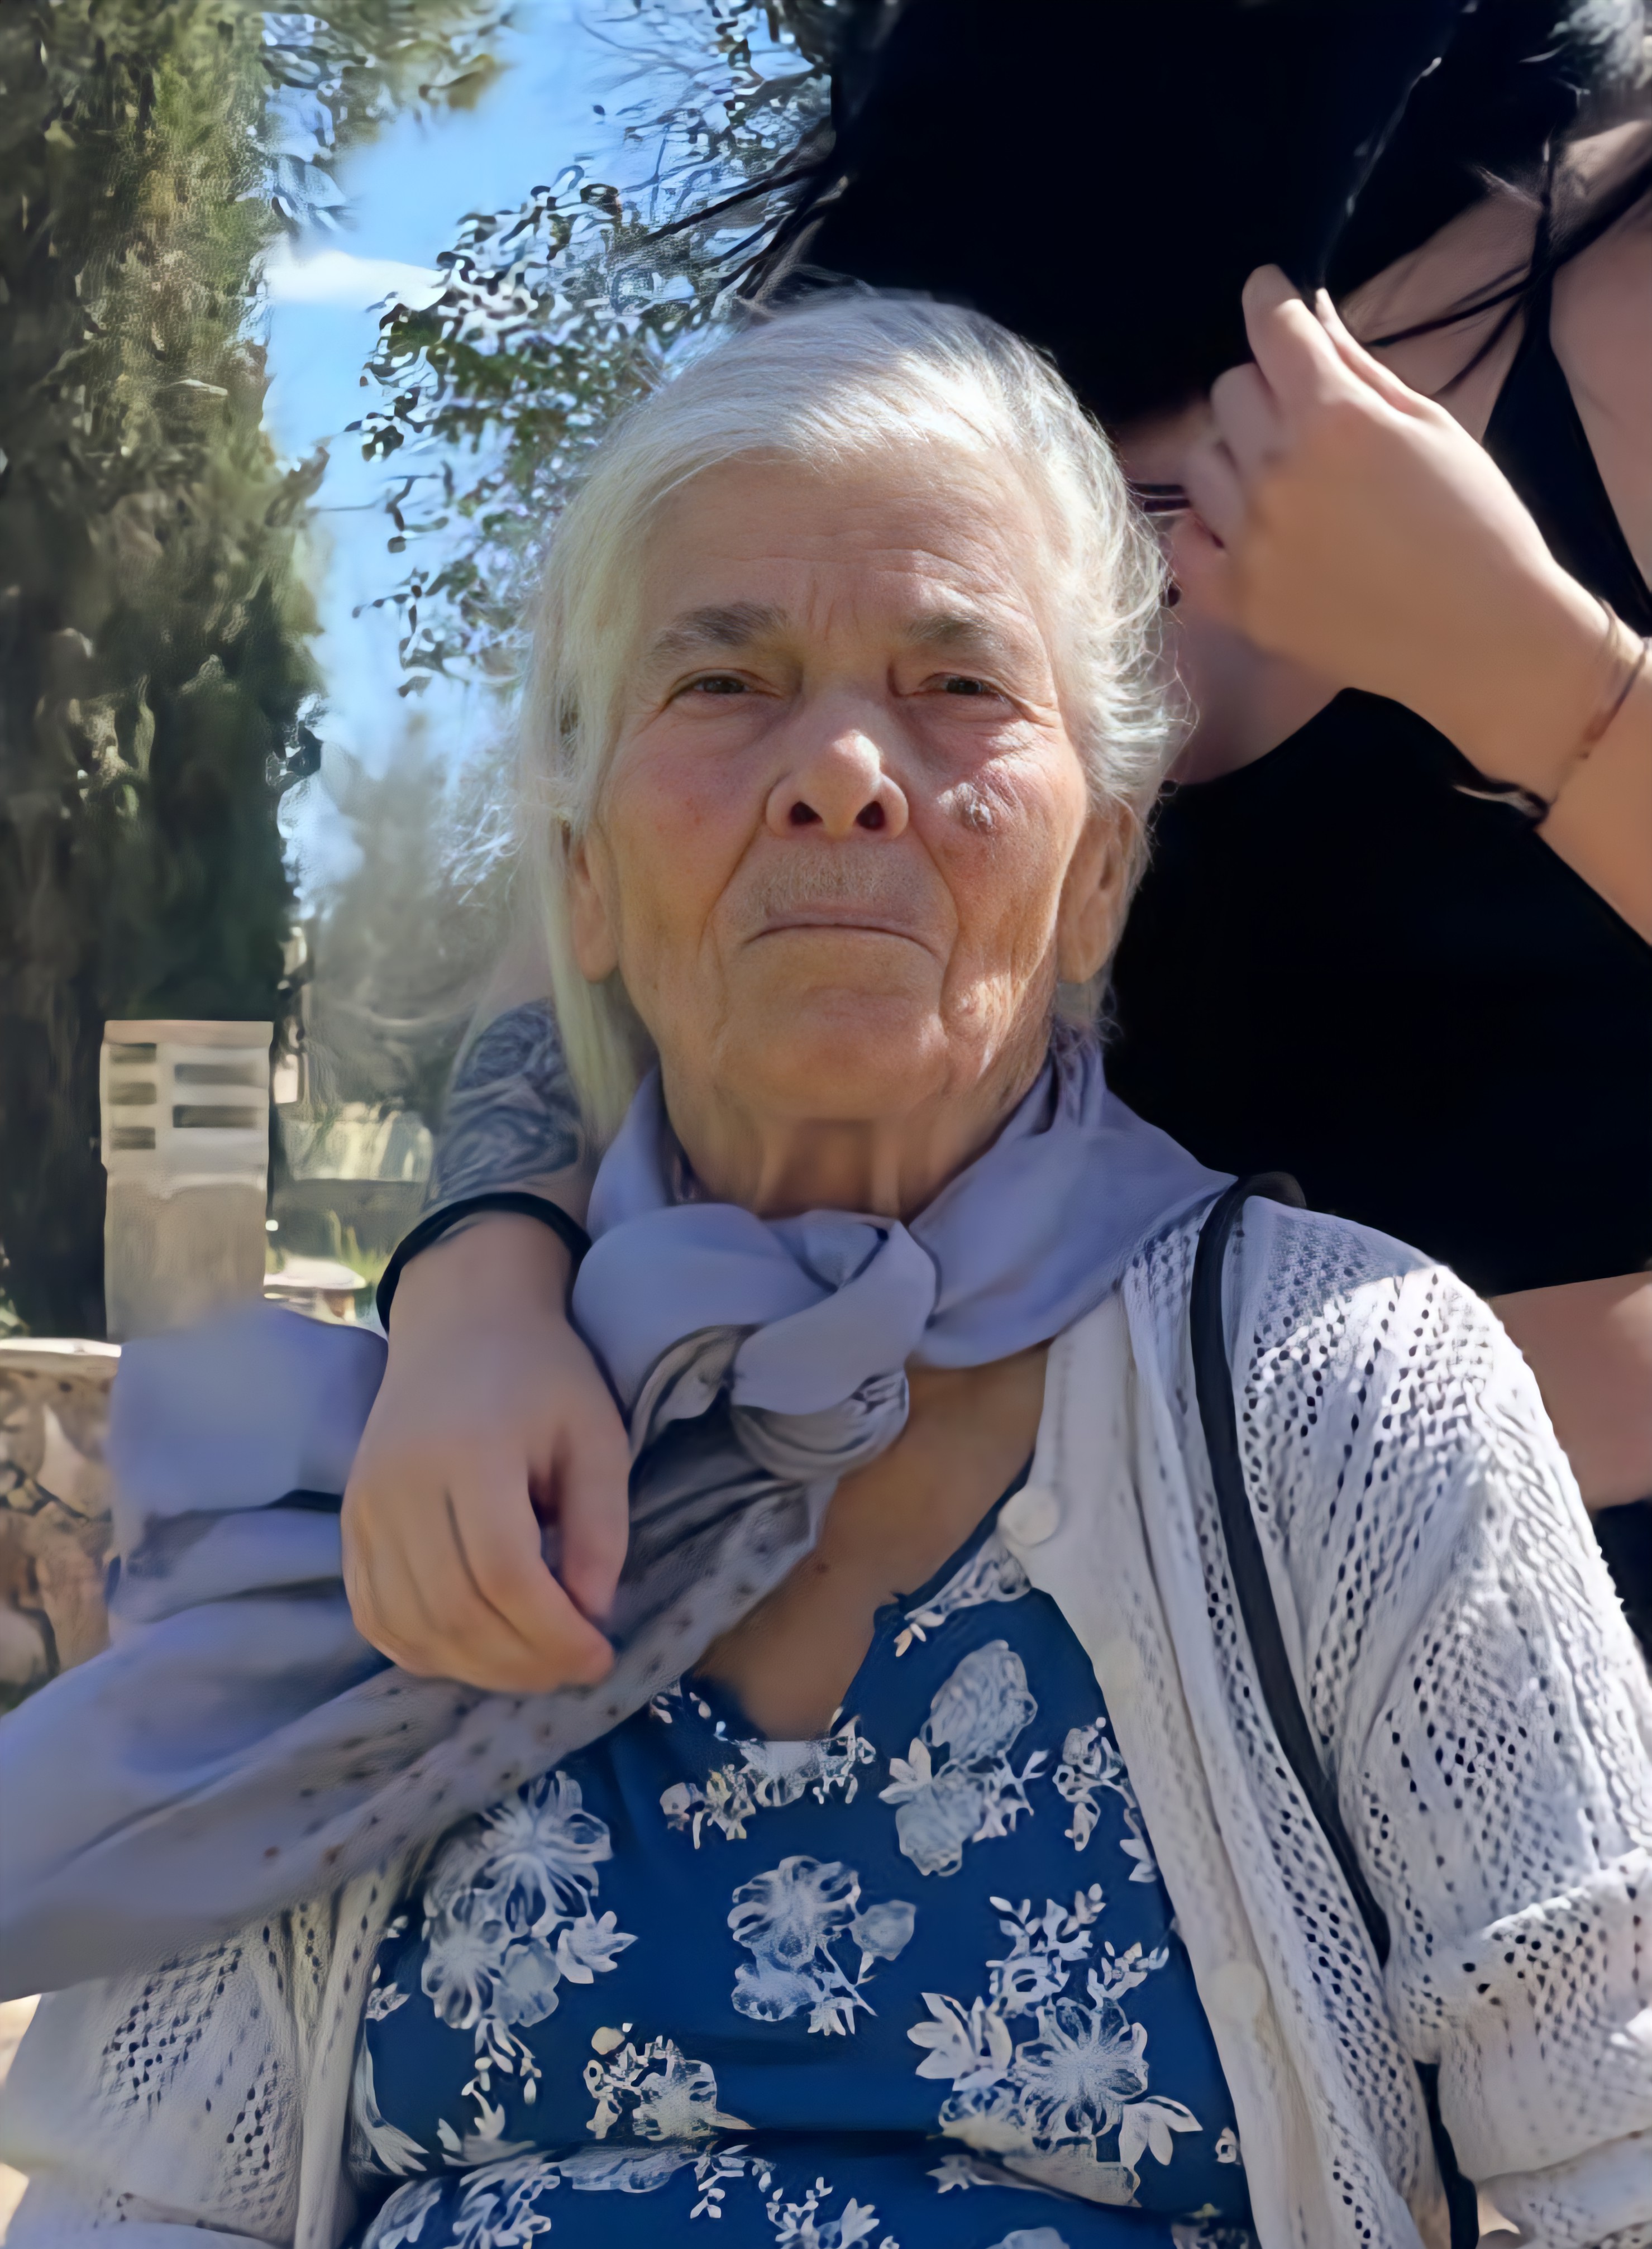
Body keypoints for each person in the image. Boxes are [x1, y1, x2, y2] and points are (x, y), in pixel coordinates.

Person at [3, 293, 1650, 2249]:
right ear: (583, 877)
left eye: (958, 684)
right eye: (727, 683)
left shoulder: (1348, 1409)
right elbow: (143, 2218)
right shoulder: (407, 1466)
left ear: (1100, 875)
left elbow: (1620, 2202)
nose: (848, 771)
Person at [341, 0, 1652, 1695]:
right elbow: (607, 887)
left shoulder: (1616, 263)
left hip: (1564, 1604)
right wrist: (478, 1294)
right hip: (906, 1619)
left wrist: (1531, 671)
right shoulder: (887, 256)